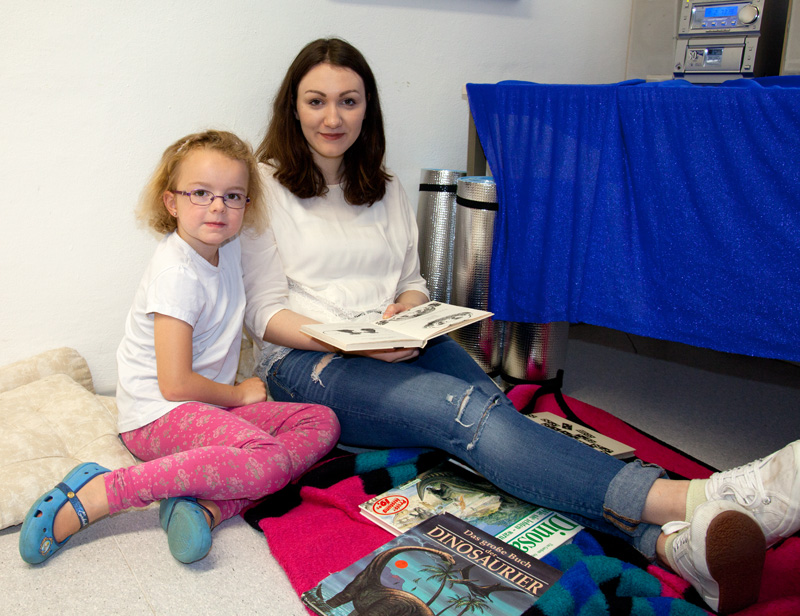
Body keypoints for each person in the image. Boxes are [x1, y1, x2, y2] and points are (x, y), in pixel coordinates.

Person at [239, 38, 800, 614]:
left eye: (349, 101)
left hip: (395, 343)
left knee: (496, 416)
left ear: (368, 108)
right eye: (316, 101)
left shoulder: (385, 187)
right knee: (462, 415)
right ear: (293, 108)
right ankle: (701, 496)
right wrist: (351, 341)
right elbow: (265, 314)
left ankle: (666, 545)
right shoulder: (265, 188)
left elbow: (411, 281)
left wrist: (407, 310)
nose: (333, 118)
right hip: (306, 363)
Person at [19, 130, 340, 566]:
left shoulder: (227, 248)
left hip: (205, 410)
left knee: (320, 420)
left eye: (232, 196)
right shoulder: (177, 275)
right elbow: (174, 384)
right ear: (171, 202)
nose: (217, 206)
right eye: (201, 193)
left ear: (246, 205)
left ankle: (206, 506)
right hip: (156, 415)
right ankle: (104, 491)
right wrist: (239, 393)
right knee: (269, 460)